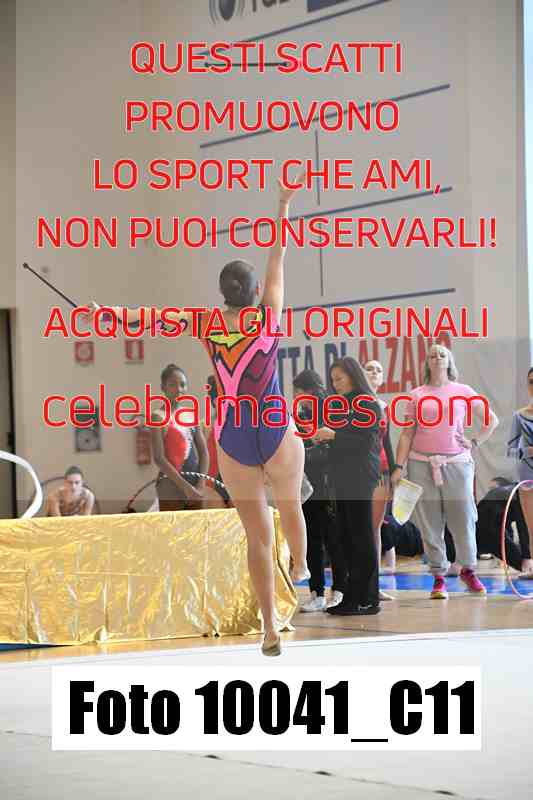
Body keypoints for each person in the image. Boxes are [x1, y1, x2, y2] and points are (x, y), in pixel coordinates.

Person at [88, 176, 308, 656]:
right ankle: (301, 566)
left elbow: (151, 317)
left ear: (223, 293)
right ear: (254, 291)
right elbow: (278, 255)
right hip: (272, 425)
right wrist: (283, 203)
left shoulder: (205, 322)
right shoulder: (267, 316)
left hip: (233, 436)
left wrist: (109, 314)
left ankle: (270, 626)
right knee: (290, 503)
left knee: (256, 536)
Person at [391, 343, 499, 599]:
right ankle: (438, 576)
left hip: (457, 463)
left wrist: (475, 442)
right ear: (427, 362)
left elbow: (491, 420)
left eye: (442, 354)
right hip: (420, 464)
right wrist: (399, 466)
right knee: (430, 522)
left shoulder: (463, 391)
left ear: (449, 361)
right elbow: (407, 434)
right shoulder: (416, 395)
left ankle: (468, 570)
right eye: (432, 355)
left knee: (463, 518)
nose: (437, 358)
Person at [314, 357, 382, 615]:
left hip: (360, 475)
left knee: (361, 534)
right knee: (346, 535)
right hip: (341, 475)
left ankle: (368, 597)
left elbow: (365, 442)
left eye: (339, 378)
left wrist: (334, 435)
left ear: (353, 376)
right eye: (333, 380)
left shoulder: (367, 403)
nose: (335, 384)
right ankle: (352, 595)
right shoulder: (338, 405)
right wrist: (324, 439)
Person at [293, 369, 345, 612]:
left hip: (328, 482)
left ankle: (339, 590)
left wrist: (315, 443)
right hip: (307, 484)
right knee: (312, 538)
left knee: (333, 537)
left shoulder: (332, 409)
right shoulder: (299, 414)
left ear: (310, 390)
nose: (297, 397)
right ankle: (317, 593)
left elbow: (336, 445)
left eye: (299, 392)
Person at [151, 364, 208, 511]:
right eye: (172, 384)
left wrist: (201, 484)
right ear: (163, 387)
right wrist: (186, 488)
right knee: (172, 524)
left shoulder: (191, 416)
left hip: (194, 484)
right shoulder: (158, 417)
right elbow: (159, 458)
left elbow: (204, 453)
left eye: (182, 384)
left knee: (197, 524)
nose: (179, 389)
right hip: (170, 485)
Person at [365, 359, 397, 598]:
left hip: (382, 471)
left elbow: (387, 442)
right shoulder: (351, 402)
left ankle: (373, 586)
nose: (374, 372)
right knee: (358, 527)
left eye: (378, 369)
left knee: (375, 528)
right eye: (369, 368)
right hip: (359, 472)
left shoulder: (384, 406)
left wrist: (395, 471)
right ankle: (351, 585)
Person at [507, 367, 533, 561]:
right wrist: (526, 451)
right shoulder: (519, 416)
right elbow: (510, 450)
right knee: (532, 528)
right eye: (531, 382)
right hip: (528, 477)